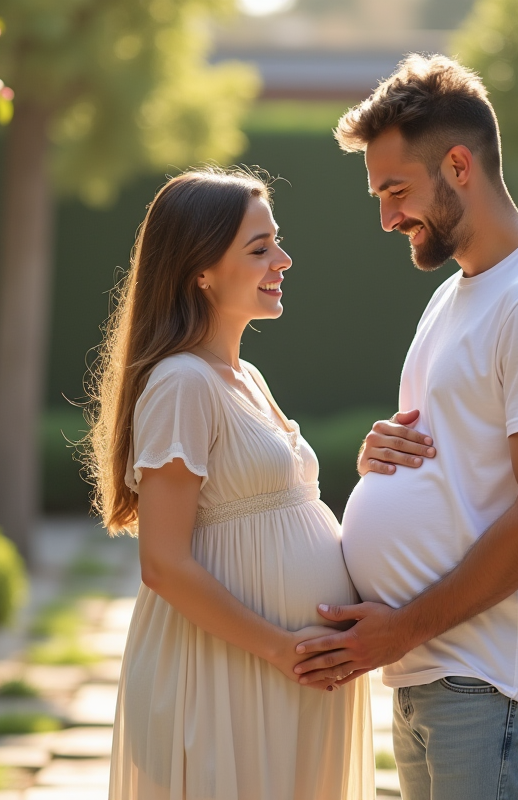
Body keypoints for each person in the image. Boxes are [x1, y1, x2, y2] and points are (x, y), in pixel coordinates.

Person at [293, 55, 518, 800]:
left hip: (487, 677)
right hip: (433, 669)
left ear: (459, 166)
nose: (386, 218)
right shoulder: (457, 295)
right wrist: (382, 458)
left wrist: (401, 628)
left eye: (396, 191)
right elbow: (460, 460)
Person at [89, 168, 373, 800]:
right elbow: (163, 564)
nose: (283, 260)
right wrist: (279, 649)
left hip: (289, 673)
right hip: (227, 671)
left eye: (277, 242)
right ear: (201, 271)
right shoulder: (181, 384)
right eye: (259, 248)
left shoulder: (246, 377)